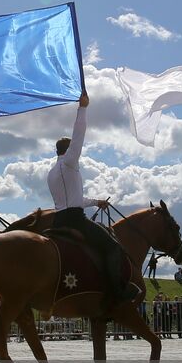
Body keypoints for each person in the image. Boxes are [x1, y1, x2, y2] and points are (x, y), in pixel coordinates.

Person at [48, 91, 136, 313]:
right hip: (75, 220)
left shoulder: (52, 172)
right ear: (68, 151)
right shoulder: (69, 162)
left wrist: (97, 202)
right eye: (74, 150)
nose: (77, 152)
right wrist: (83, 108)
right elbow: (78, 135)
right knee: (113, 246)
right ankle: (117, 291)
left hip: (59, 219)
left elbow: (74, 199)